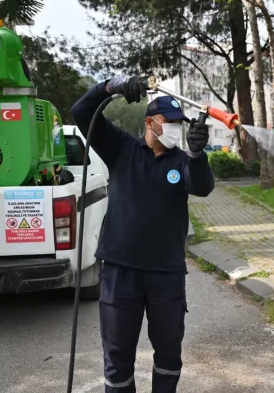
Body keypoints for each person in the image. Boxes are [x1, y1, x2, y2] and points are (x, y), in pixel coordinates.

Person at [71, 76, 214, 393]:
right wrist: (111, 86)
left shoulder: (181, 160)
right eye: (171, 122)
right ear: (151, 122)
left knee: (168, 354)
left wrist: (197, 154)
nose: (177, 128)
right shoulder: (121, 148)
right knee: (118, 356)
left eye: (181, 123)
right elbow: (81, 111)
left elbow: (203, 187)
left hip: (166, 275)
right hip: (121, 271)